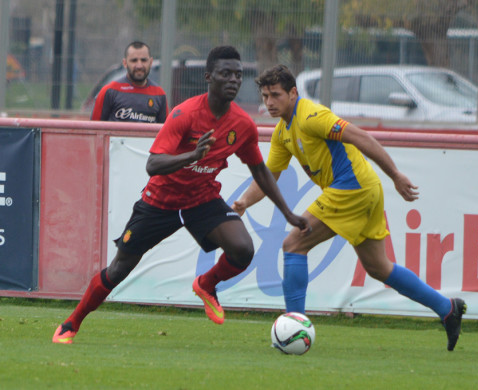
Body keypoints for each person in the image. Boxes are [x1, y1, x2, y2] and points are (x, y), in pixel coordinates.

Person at [53, 47, 309, 344]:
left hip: (201, 199)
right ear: (208, 77)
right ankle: (72, 322)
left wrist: (288, 213)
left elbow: (260, 171)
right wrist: (192, 155)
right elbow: (153, 165)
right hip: (159, 202)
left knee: (243, 249)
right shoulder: (184, 114)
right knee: (118, 269)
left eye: (238, 75)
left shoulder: (242, 124)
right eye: (226, 74)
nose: (233, 80)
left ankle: (206, 284)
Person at [232, 64, 466, 351]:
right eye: (265, 96)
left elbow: (361, 137)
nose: (269, 102)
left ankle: (294, 328)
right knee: (378, 268)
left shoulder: (312, 116)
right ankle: (447, 308)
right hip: (363, 190)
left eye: (276, 95)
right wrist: (243, 202)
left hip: (351, 188)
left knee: (293, 244)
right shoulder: (283, 131)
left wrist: (395, 175)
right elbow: (270, 176)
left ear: (293, 93)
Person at [91, 41, 169, 123]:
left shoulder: (159, 94)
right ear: (125, 63)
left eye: (143, 60)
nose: (139, 65)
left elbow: (165, 132)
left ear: (151, 62)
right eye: (134, 61)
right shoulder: (109, 91)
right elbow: (94, 129)